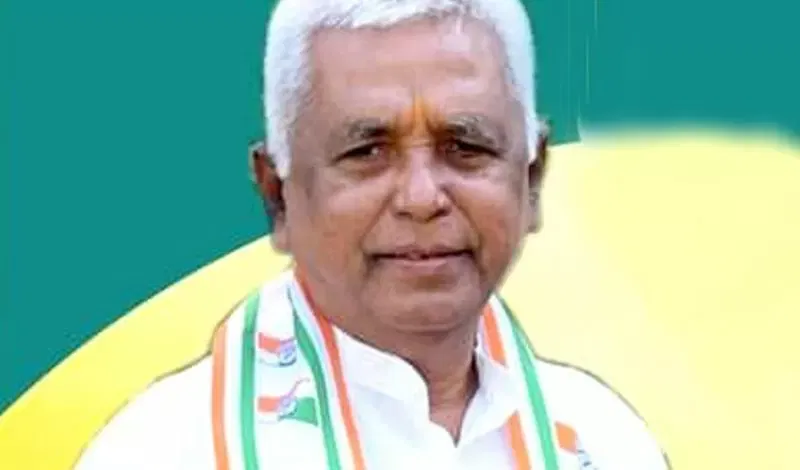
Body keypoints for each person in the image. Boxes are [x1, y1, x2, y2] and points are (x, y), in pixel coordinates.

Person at [75, 0, 670, 469]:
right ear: (277, 194)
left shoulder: (604, 442)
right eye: (367, 152)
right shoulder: (162, 451)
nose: (421, 197)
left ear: (531, 180)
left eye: (465, 146)